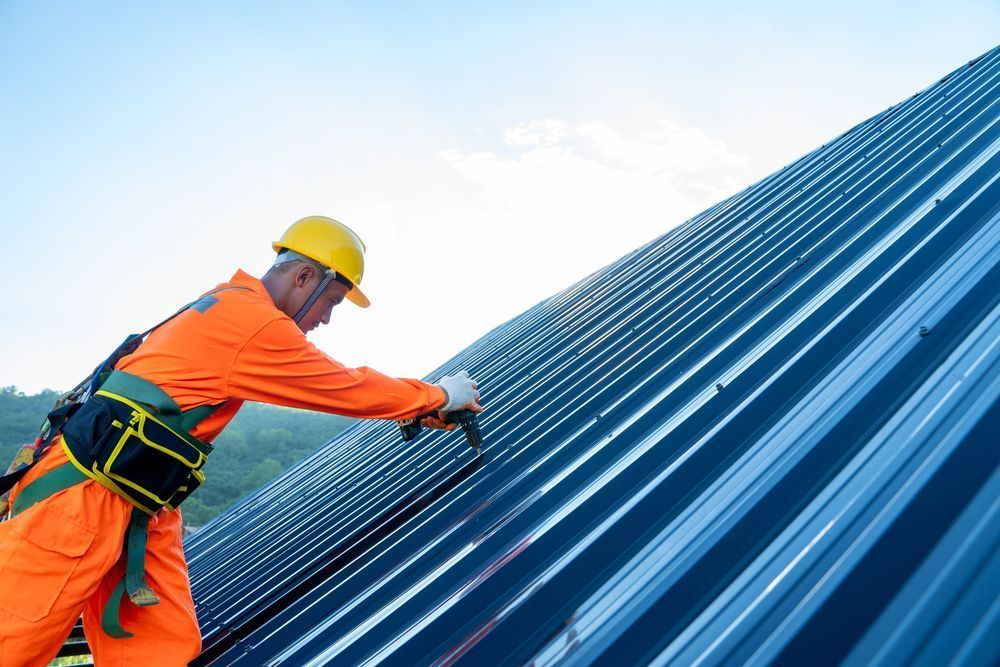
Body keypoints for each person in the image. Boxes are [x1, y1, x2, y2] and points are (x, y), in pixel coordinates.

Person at [0, 215, 482, 666]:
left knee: (161, 649)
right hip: (78, 503)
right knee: (13, 641)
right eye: (332, 302)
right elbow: (342, 386)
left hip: (139, 507)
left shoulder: (226, 302)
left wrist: (423, 407)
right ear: (304, 279)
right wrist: (437, 394)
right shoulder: (252, 322)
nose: (327, 320)